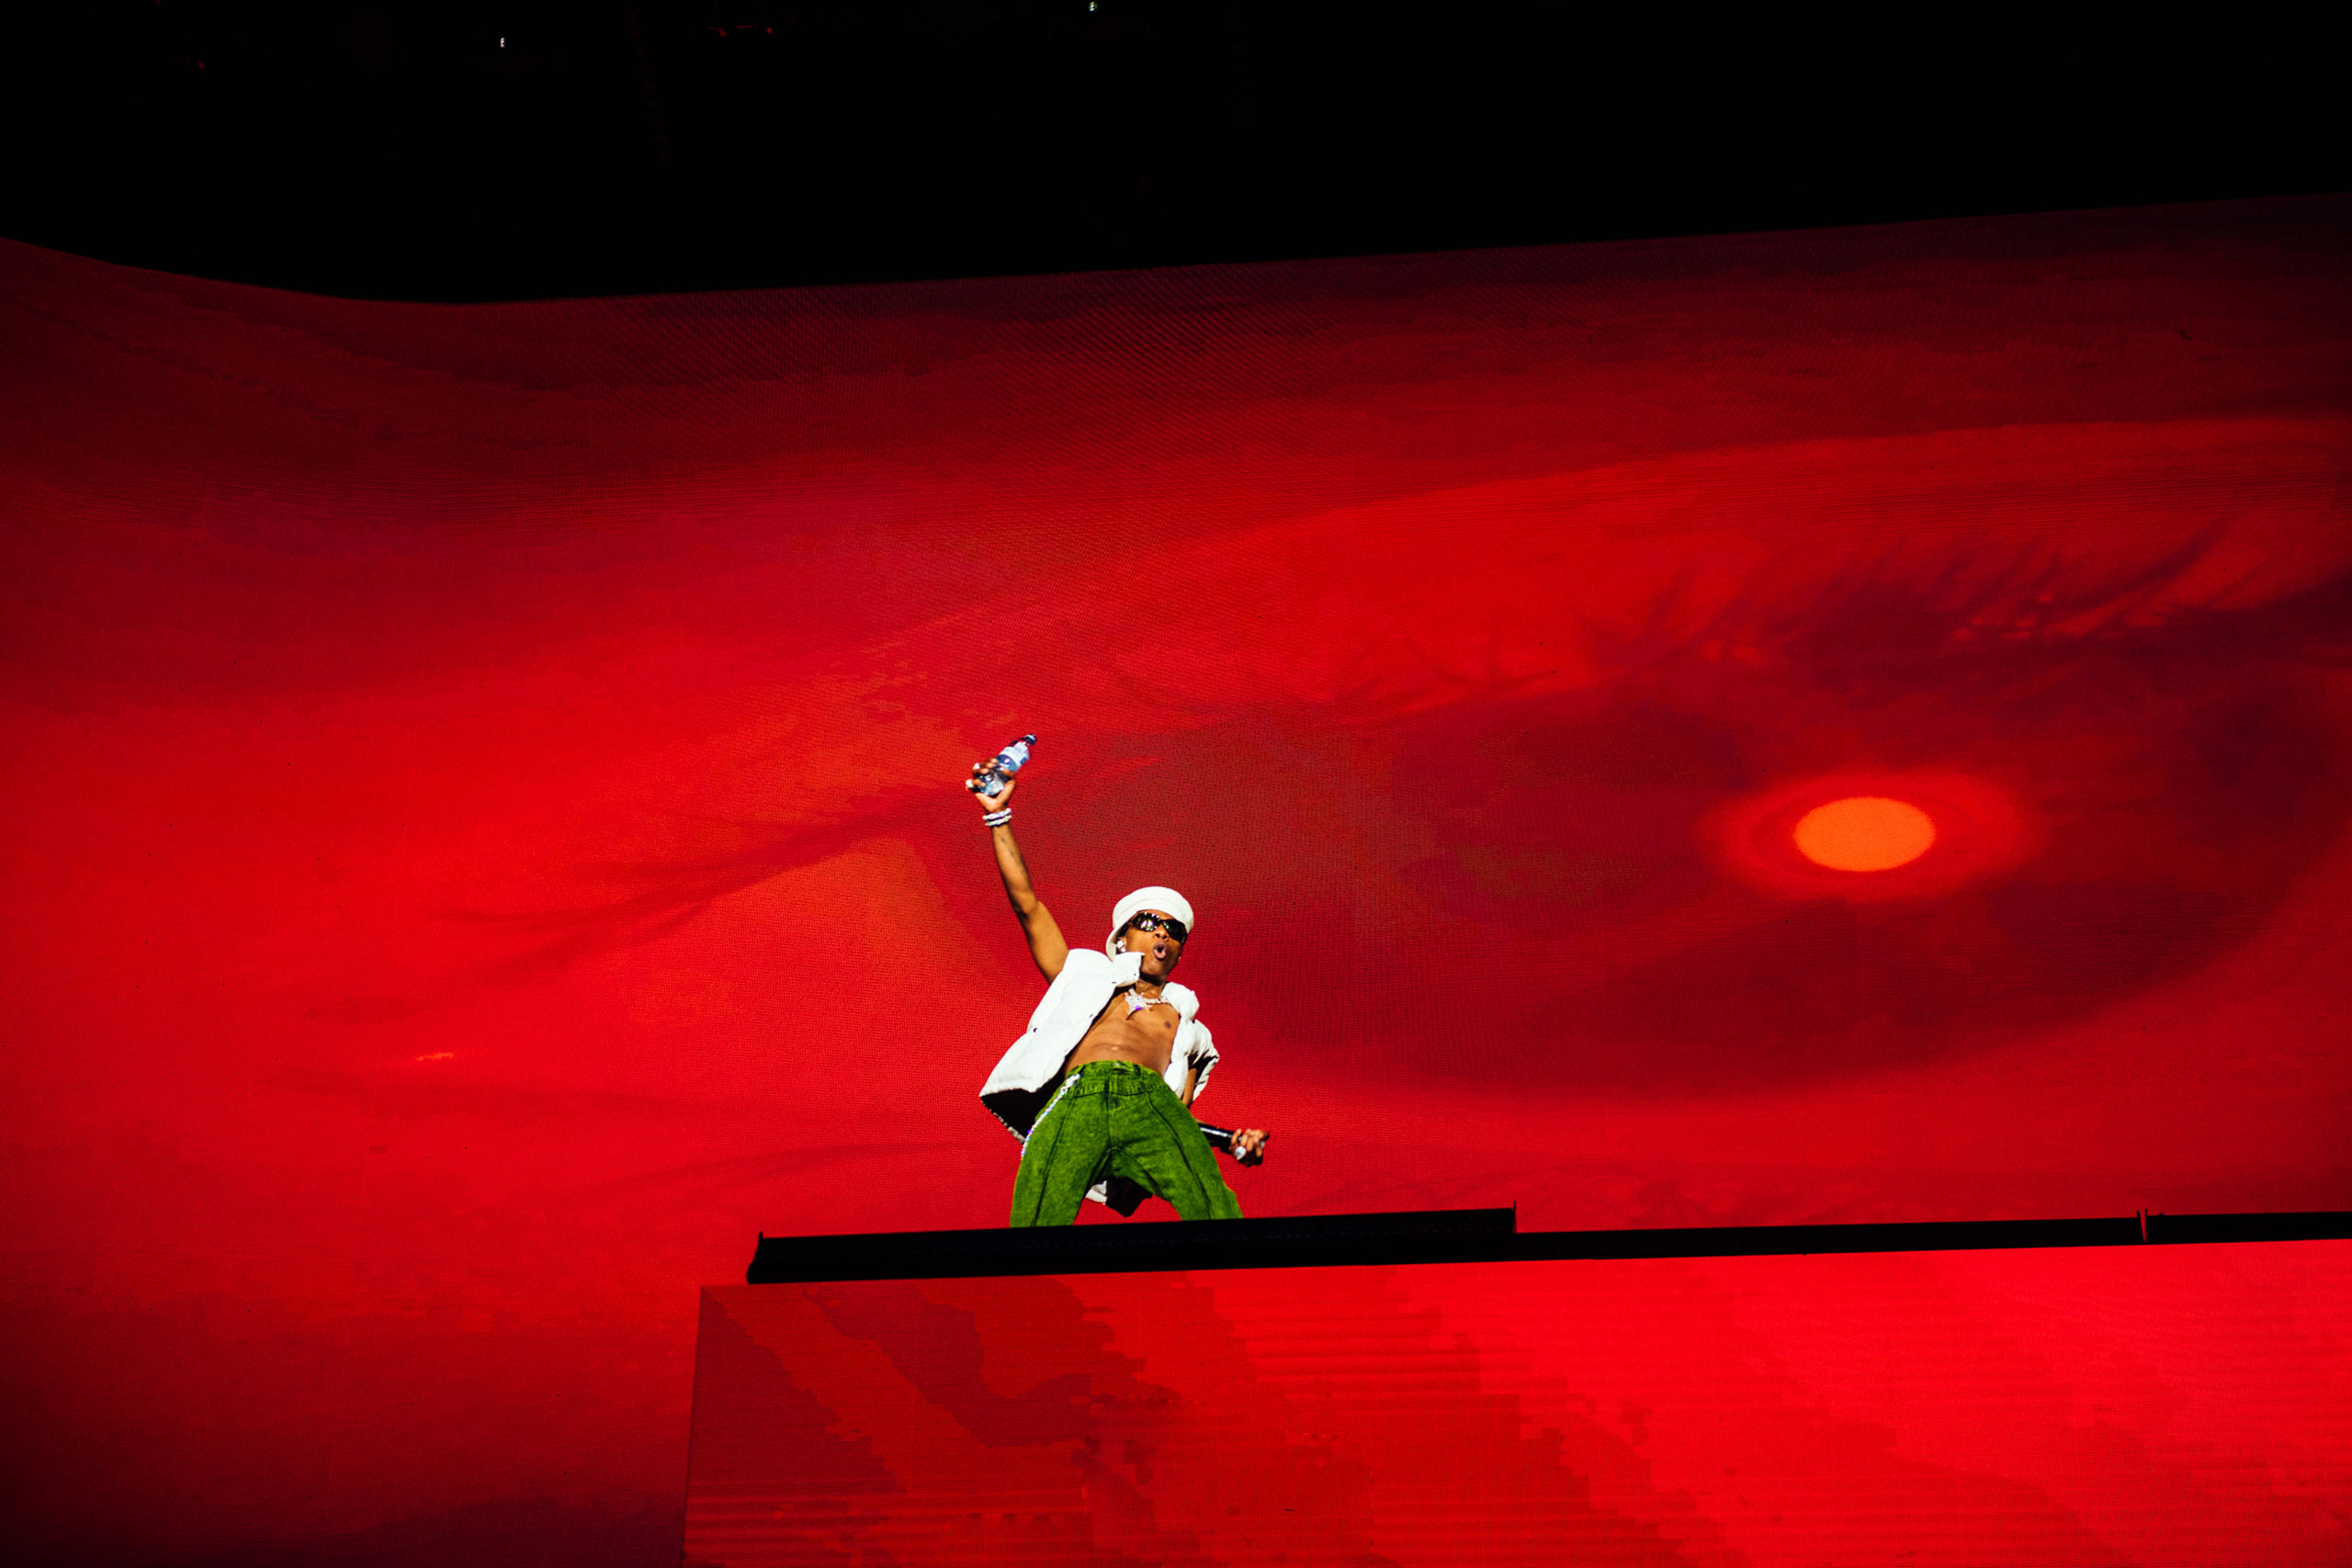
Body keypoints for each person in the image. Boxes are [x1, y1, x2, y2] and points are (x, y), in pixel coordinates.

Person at [969, 760, 1268, 1225]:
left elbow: (1177, 1113)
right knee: (1035, 1219)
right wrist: (998, 816)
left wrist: (1226, 1141)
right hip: (1077, 1098)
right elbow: (1027, 905)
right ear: (1121, 939)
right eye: (1149, 923)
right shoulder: (1084, 976)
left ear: (1179, 952)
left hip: (1150, 1101)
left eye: (1174, 931)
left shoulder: (1188, 1027)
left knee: (1214, 1207)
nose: (1162, 934)